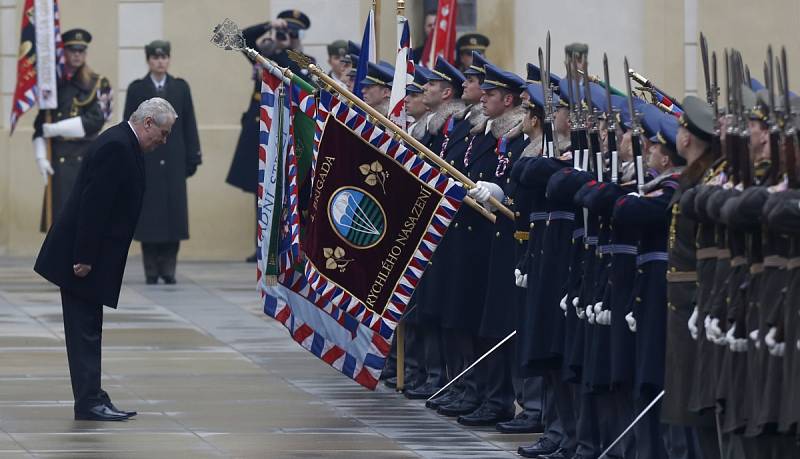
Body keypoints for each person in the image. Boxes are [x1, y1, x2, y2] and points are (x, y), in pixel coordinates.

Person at [33, 98, 177, 421]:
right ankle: (87, 402)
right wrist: (83, 257)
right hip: (82, 258)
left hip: (91, 257)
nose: (163, 141)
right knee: (83, 330)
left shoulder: (125, 143)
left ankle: (94, 394)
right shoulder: (117, 147)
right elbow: (93, 205)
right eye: (163, 133)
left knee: (89, 327)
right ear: (148, 123)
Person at [227, 10, 314, 262]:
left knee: (289, 190)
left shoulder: (303, 59)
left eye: (292, 33)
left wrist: (291, 47)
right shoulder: (266, 56)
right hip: (265, 131)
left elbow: (301, 73)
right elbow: (240, 39)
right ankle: (262, 242)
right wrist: (268, 26)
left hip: (290, 134)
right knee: (262, 188)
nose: (285, 36)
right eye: (283, 31)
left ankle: (285, 240)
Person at [123, 40, 202, 285]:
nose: (160, 61)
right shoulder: (137, 88)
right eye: (155, 57)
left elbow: (189, 122)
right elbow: (129, 124)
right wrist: (129, 153)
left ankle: (169, 269)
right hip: (147, 157)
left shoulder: (180, 87)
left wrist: (193, 155)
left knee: (173, 214)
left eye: (164, 56)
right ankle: (151, 269)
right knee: (150, 215)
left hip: (175, 158)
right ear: (148, 60)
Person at [32, 28, 112, 231]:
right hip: (57, 163)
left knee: (84, 223)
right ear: (64, 53)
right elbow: (39, 127)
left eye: (81, 51)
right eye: (72, 50)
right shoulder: (53, 87)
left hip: (85, 158)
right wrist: (41, 158)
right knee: (59, 225)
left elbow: (96, 120)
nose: (77, 54)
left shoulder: (98, 83)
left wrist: (56, 128)